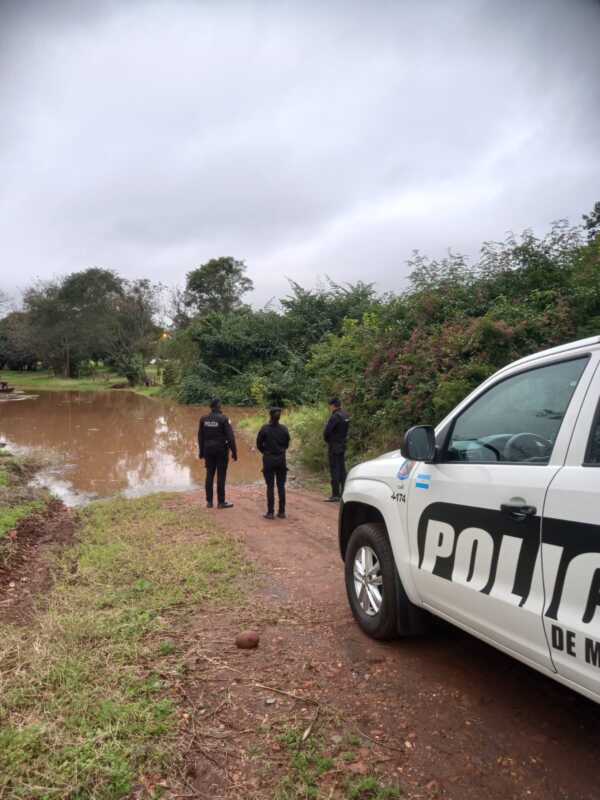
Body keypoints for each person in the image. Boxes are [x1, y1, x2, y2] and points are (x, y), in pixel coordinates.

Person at [198, 398, 237, 509]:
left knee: (209, 474)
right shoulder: (224, 419)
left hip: (208, 450)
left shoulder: (203, 419)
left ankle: (209, 502)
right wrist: (234, 452)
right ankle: (221, 502)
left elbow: (200, 437)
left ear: (211, 407)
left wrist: (201, 452)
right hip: (221, 451)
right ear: (218, 406)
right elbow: (230, 437)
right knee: (221, 475)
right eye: (220, 404)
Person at [256, 407, 290, 520]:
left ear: (270, 416)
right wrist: (280, 451)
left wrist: (266, 452)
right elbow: (287, 444)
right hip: (281, 460)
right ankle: (282, 512)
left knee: (270, 486)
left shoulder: (265, 429)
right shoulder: (284, 429)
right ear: (279, 417)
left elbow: (259, 444)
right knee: (281, 486)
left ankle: (270, 513)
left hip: (269, 460)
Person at [323, 397, 350, 502]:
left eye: (330, 406)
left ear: (333, 405)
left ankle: (335, 494)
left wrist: (328, 440)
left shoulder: (335, 417)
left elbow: (327, 432)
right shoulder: (345, 415)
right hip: (342, 445)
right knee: (342, 470)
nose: (330, 408)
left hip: (334, 446)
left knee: (335, 469)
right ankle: (344, 492)